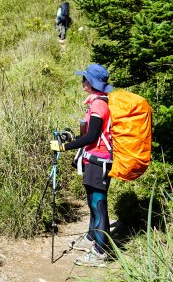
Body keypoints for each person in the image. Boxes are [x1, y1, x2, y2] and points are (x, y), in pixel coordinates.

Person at [50, 63, 113, 267]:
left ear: (91, 83)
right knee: (92, 203)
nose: (82, 81)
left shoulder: (99, 105)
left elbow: (92, 136)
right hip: (93, 159)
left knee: (99, 205)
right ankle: (92, 238)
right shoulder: (96, 102)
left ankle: (100, 253)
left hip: (100, 161)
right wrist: (72, 140)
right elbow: (90, 135)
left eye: (84, 78)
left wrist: (65, 147)